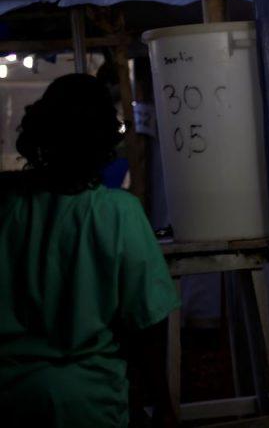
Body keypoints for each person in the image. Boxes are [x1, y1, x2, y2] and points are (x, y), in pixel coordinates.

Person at [0, 73, 180, 427]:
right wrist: (163, 404)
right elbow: (148, 323)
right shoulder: (119, 213)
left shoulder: (8, 204)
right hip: (89, 401)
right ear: (104, 141)